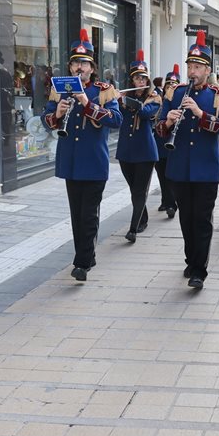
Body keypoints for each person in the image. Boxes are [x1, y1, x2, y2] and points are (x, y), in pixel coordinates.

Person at [42, 29, 122, 282]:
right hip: (71, 161)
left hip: (94, 161)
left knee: (89, 213)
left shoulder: (104, 90)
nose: (80, 67)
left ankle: (82, 262)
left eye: (84, 63)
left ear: (92, 67)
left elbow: (116, 120)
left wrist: (88, 104)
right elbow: (46, 120)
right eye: (76, 62)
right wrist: (57, 114)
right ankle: (87, 254)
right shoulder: (61, 88)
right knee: (76, 213)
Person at [157, 31, 219, 289]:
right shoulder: (174, 93)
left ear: (208, 70)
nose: (193, 70)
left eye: (198, 66)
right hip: (179, 167)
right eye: (190, 65)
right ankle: (191, 259)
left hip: (206, 169)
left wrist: (201, 114)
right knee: (186, 218)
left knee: (202, 219)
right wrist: (168, 121)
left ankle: (200, 269)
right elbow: (159, 128)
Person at [115, 50, 161, 243]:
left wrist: (124, 101)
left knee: (140, 190)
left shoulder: (155, 97)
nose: (140, 81)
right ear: (132, 80)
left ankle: (133, 228)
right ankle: (143, 217)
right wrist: (114, 97)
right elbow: (115, 116)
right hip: (126, 150)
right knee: (133, 189)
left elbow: (145, 114)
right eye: (137, 78)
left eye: (143, 78)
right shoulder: (124, 97)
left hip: (145, 151)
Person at [154, 65, 181, 219]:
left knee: (171, 175)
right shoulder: (157, 97)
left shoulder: (178, 99)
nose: (171, 86)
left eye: (174, 83)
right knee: (161, 174)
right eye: (169, 84)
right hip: (159, 141)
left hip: (173, 143)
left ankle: (171, 203)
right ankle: (165, 200)